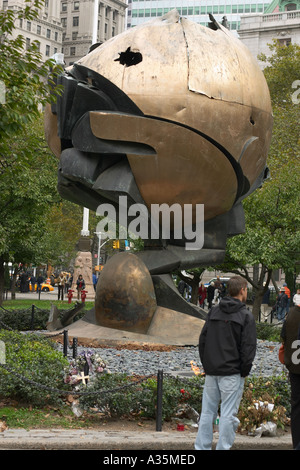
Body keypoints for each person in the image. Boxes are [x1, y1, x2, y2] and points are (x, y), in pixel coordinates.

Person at [195, 275, 256, 450]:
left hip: (213, 370)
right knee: (228, 415)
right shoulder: (245, 316)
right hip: (232, 372)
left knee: (207, 412)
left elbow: (203, 340)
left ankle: (202, 447)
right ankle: (223, 447)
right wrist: (244, 370)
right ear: (243, 290)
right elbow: (248, 348)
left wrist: (207, 364)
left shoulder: (214, 311)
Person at [280, 301, 300, 449]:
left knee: (296, 407)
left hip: (294, 366)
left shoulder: (290, 314)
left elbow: (283, 337)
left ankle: (296, 444)